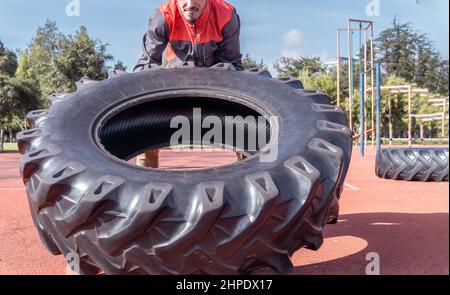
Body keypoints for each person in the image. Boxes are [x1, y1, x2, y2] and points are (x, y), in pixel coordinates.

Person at [134, 0, 244, 168]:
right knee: (145, 105)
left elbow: (233, 65)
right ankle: (143, 171)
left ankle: (251, 165)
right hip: (175, 87)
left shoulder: (226, 15)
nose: (190, 4)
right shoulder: (163, 16)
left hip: (216, 86)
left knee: (246, 108)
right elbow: (145, 67)